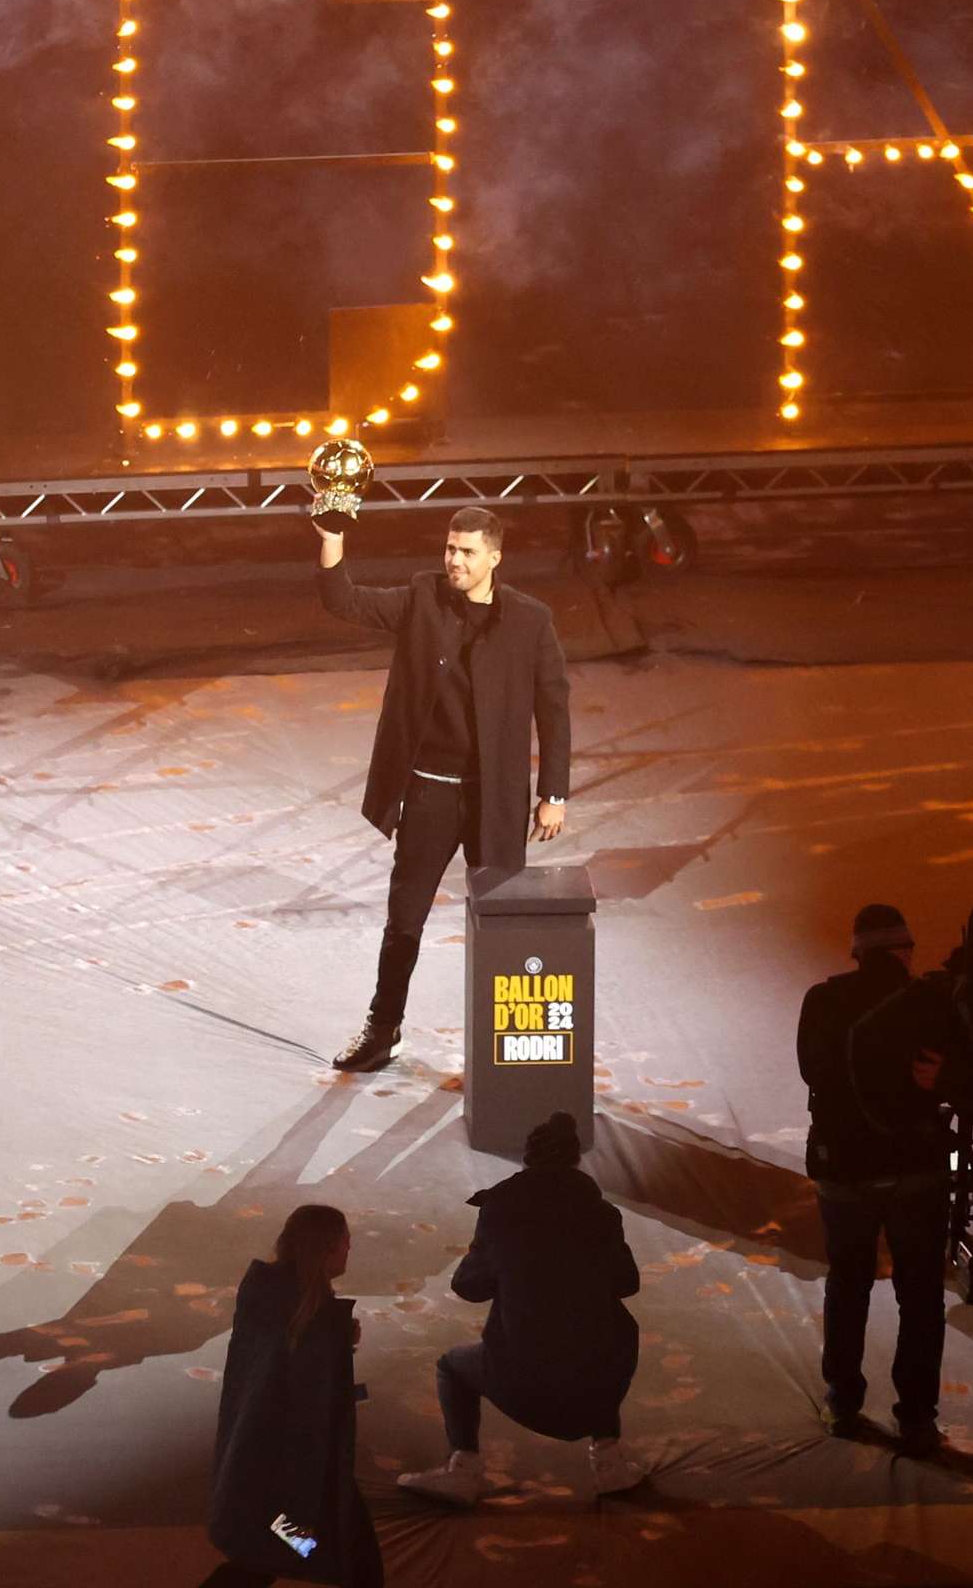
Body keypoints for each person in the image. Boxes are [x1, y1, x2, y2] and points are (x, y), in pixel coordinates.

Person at [314, 504, 573, 1072]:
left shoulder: (531, 620)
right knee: (404, 919)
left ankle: (501, 1045)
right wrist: (332, 536)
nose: (454, 560)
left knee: (498, 919)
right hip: (430, 792)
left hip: (494, 801)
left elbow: (554, 710)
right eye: (450, 549)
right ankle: (383, 1031)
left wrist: (553, 793)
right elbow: (344, 600)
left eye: (467, 552)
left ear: (494, 558)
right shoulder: (421, 598)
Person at [398, 1111, 645, 1504]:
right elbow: (628, 1284)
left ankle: (463, 1468)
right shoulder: (602, 1215)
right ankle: (609, 1460)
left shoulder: (501, 1212)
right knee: (607, 1329)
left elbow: (467, 1287)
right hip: (595, 1389)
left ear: (527, 1160)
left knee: (451, 1367)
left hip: (524, 1385)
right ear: (574, 1160)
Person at [796, 903, 962, 1453]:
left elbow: (813, 1071)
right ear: (904, 951)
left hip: (845, 1169)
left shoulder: (822, 1000)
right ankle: (916, 1416)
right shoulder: (934, 1001)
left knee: (849, 1282)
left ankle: (843, 1401)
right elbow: (966, 1071)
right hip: (917, 1168)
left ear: (858, 951)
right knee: (920, 1294)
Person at [206, 1203, 382, 1584]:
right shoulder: (317, 1321)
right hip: (296, 1479)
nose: (349, 1250)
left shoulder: (264, 1292)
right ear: (329, 1250)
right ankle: (305, 1554)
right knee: (335, 1555)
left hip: (254, 1471)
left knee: (270, 1554)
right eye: (346, 1244)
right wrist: (341, 1351)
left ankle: (299, 1552)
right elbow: (311, 1405)